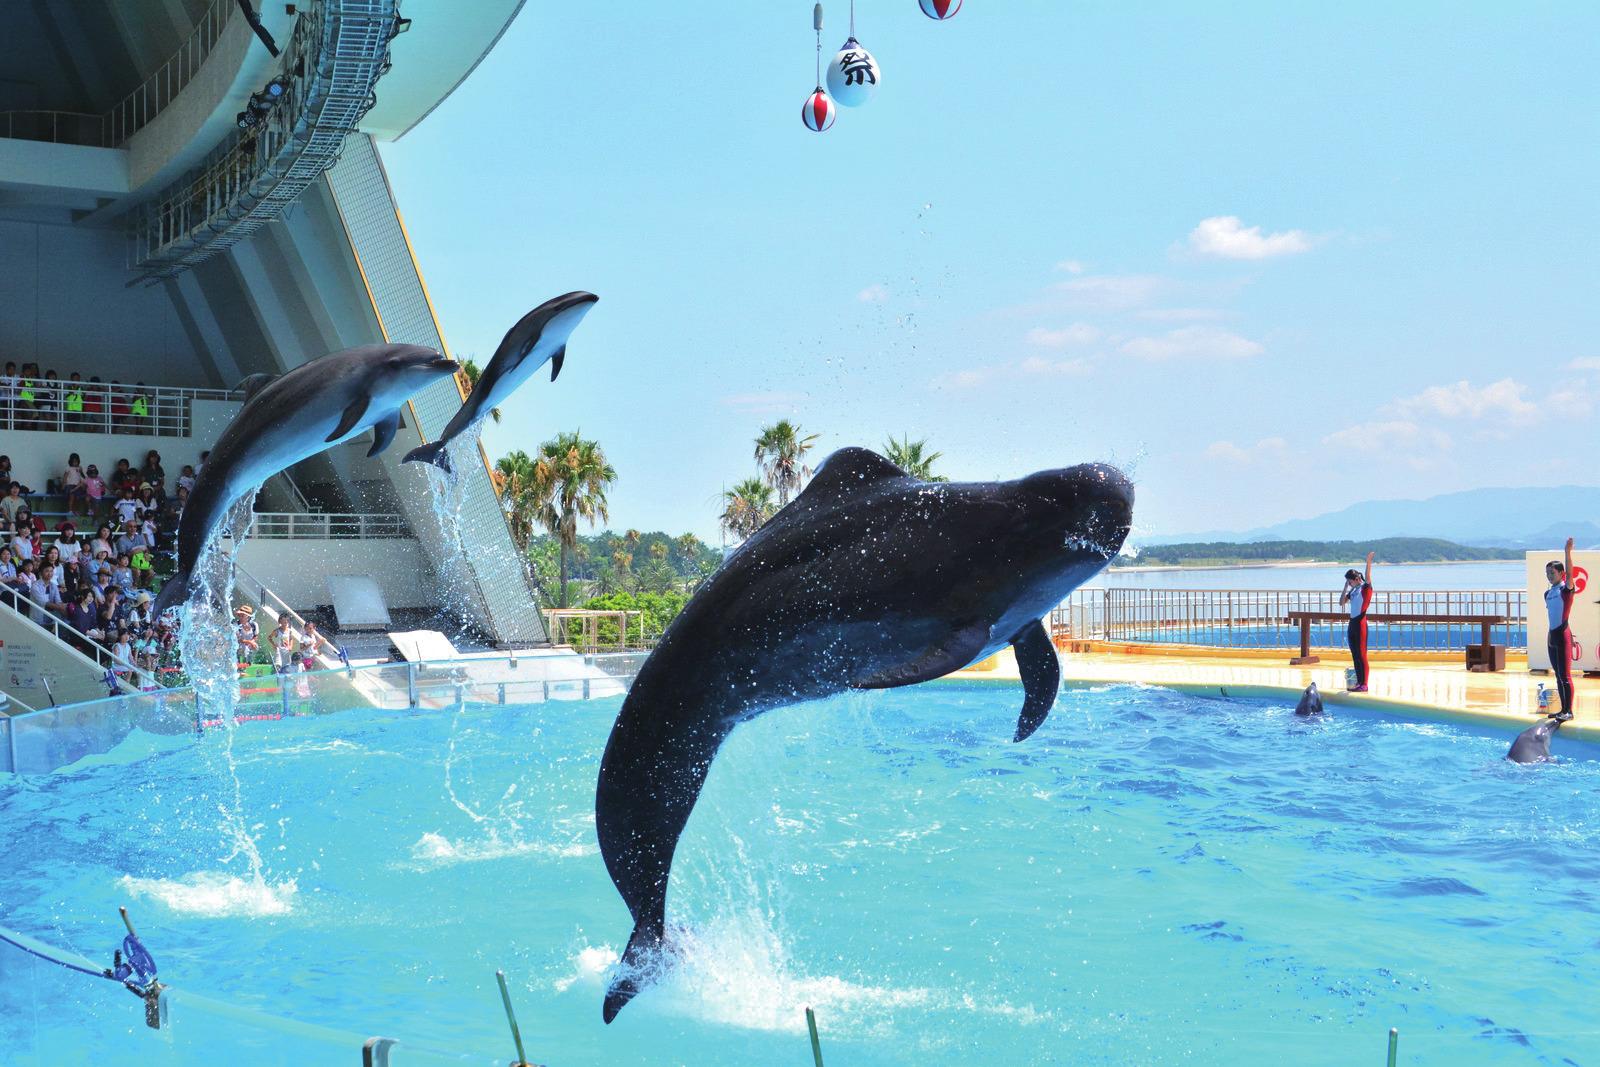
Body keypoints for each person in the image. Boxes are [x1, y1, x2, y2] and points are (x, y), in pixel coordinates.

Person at [1544, 537, 1578, 722]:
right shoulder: (1548, 593)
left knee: (1565, 676)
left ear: (1561, 574)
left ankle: (1569, 711)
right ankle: (1562, 710)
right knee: (1558, 675)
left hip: (1563, 636)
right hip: (1552, 637)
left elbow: (1571, 574)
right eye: (1547, 573)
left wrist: (1567, 552)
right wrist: (1549, 637)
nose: (1550, 576)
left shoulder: (1566, 590)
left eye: (1553, 573)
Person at [1339, 551, 1375, 692]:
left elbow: (1367, 577)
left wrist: (1368, 562)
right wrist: (1345, 587)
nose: (1349, 583)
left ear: (1355, 579)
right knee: (1355, 654)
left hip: (1360, 623)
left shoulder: (1366, 588)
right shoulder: (1353, 591)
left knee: (1362, 654)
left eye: (1349, 581)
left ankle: (1364, 684)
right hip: (1352, 624)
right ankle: (1359, 683)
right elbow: (1341, 602)